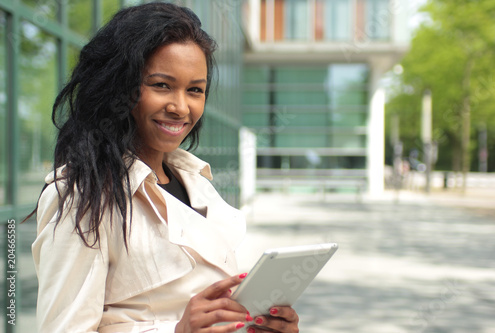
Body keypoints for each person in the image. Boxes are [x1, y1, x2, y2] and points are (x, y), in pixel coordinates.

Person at [30, 2, 299, 333]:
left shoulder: (196, 183)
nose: (181, 107)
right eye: (161, 85)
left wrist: (257, 326)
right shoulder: (83, 194)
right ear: (119, 86)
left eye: (195, 90)